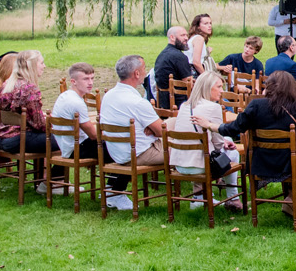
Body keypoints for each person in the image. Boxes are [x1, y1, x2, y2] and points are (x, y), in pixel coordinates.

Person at [215, 69, 296, 217]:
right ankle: (291, 198)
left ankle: (288, 200)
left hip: (262, 161)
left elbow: (236, 127)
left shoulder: (257, 105)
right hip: (292, 163)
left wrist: (215, 127)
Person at [100, 55, 168, 210]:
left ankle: (114, 190)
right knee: (184, 149)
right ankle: (199, 196)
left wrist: (152, 128)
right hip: (137, 154)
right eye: (144, 69)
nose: (145, 72)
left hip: (116, 151)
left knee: (172, 126)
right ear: (137, 73)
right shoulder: (137, 102)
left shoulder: (109, 95)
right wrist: (154, 128)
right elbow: (162, 132)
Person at [171, 69, 243, 210]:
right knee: (233, 153)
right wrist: (225, 143)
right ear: (207, 87)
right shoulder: (213, 107)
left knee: (223, 143)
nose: (221, 91)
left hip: (179, 165)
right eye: (218, 87)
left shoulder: (184, 106)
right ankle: (233, 198)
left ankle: (198, 197)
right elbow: (217, 146)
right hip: (201, 166)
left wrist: (224, 141)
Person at [0, 51, 53, 189]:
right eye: (41, 62)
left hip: (3, 139)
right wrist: (55, 125)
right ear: (32, 65)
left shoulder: (6, 85)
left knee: (54, 139)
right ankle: (52, 183)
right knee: (66, 141)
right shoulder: (29, 88)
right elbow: (39, 125)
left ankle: (43, 180)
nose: (44, 66)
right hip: (19, 140)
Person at [51, 61, 100, 164]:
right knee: (120, 149)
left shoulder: (64, 96)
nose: (90, 83)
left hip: (66, 146)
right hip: (76, 149)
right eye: (86, 79)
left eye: (92, 78)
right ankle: (116, 180)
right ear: (73, 81)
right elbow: (94, 135)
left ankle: (56, 176)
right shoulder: (76, 102)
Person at [153, 26, 196, 110]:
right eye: (182, 35)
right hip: (179, 103)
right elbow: (189, 83)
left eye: (186, 35)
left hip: (163, 101)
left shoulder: (162, 54)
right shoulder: (179, 56)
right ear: (172, 37)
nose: (186, 38)